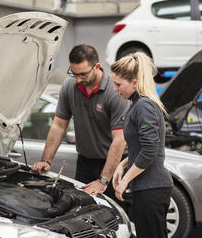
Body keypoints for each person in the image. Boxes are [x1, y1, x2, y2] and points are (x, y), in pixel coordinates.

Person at [32, 44, 129, 199]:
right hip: (85, 163)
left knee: (113, 214)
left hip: (114, 164)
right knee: (80, 209)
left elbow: (120, 139)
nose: (78, 79)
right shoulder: (69, 87)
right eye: (74, 73)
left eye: (83, 74)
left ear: (97, 66)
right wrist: (46, 160)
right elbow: (59, 125)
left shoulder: (114, 91)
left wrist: (103, 180)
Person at [111, 52, 173, 238]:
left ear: (135, 81)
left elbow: (149, 151)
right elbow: (141, 147)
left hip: (152, 189)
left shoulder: (144, 106)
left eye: (118, 84)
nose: (115, 89)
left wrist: (125, 181)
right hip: (146, 188)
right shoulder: (136, 104)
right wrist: (122, 165)